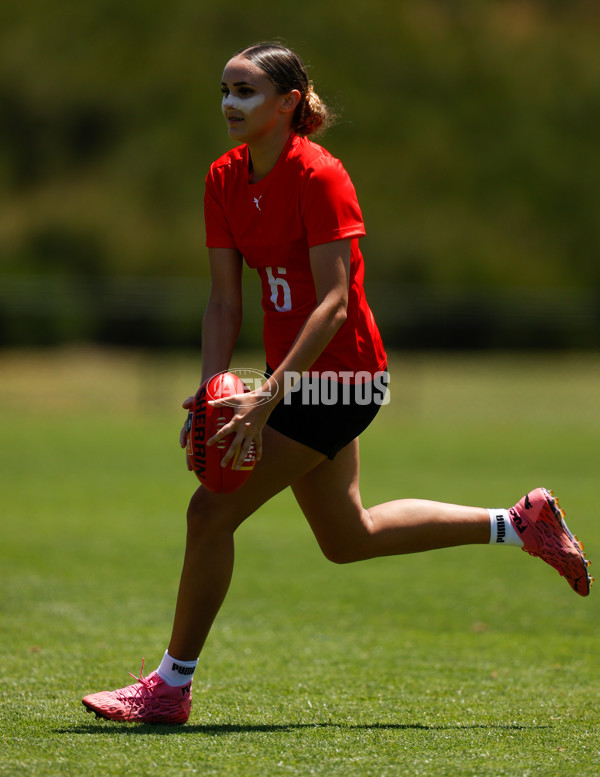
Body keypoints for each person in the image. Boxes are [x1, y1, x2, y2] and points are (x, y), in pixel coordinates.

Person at [82, 42, 592, 725]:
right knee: (346, 537)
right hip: (293, 380)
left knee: (210, 512)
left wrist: (266, 396)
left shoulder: (319, 175)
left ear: (288, 102)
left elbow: (334, 305)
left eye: (246, 92)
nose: (230, 104)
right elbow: (224, 304)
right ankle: (518, 523)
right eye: (225, 90)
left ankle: (170, 685)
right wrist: (211, 394)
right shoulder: (223, 179)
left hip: (343, 378)